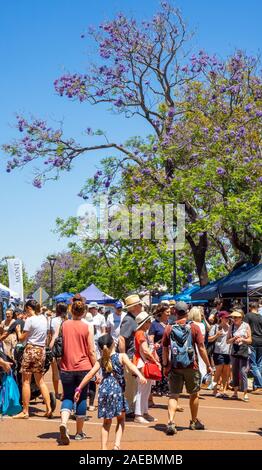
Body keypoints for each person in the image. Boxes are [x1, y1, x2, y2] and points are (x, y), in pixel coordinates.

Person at [74, 333, 147, 450]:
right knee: (121, 419)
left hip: (104, 390)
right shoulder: (121, 356)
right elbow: (131, 366)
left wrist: (79, 388)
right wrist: (140, 375)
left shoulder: (101, 360)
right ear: (113, 344)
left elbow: (89, 375)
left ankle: (103, 448)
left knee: (106, 423)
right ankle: (116, 446)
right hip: (117, 390)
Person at [162, 301, 212, 435]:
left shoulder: (169, 328)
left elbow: (165, 349)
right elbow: (201, 348)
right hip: (191, 365)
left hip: (175, 366)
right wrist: (208, 365)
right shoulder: (194, 327)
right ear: (187, 312)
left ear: (175, 312)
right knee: (194, 394)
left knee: (173, 395)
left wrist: (166, 365)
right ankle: (194, 421)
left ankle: (171, 421)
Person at [58, 300, 97, 444]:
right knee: (81, 398)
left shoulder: (64, 325)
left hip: (66, 366)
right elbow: (91, 351)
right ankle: (79, 432)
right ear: (84, 312)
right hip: (84, 367)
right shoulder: (88, 327)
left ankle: (64, 423)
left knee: (67, 396)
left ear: (71, 311)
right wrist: (96, 368)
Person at [13, 299, 52, 419]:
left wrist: (18, 331)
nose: (26, 313)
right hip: (41, 350)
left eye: (26, 310)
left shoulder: (30, 320)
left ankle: (25, 411)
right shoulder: (44, 319)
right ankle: (49, 408)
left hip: (31, 350)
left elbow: (21, 338)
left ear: (29, 308)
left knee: (26, 381)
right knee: (40, 381)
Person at [118, 294, 143, 418]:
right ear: (134, 307)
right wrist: (123, 357)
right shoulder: (129, 320)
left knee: (132, 384)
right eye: (140, 304)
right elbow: (122, 338)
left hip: (131, 356)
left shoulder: (132, 319)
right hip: (129, 356)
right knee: (130, 384)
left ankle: (130, 407)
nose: (142, 306)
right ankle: (127, 409)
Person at [133, 311, 160, 423]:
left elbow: (146, 349)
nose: (150, 323)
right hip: (142, 362)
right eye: (148, 321)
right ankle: (138, 414)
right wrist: (155, 361)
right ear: (144, 323)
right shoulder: (141, 333)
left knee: (146, 389)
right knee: (142, 389)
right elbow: (145, 350)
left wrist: (153, 349)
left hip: (144, 362)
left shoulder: (143, 333)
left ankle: (144, 412)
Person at [226, 310, 252, 401]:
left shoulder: (246, 326)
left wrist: (242, 339)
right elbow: (227, 341)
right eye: (234, 317)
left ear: (241, 317)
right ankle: (235, 392)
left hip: (244, 350)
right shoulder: (231, 326)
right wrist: (234, 338)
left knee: (243, 371)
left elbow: (250, 340)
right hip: (234, 351)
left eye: (237, 317)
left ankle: (245, 393)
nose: (235, 319)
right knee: (235, 371)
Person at [208, 311, 231, 397]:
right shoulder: (215, 327)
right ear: (221, 318)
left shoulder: (230, 327)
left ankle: (224, 390)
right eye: (226, 317)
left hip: (228, 352)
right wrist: (216, 335)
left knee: (226, 373)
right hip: (218, 352)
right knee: (218, 372)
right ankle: (214, 390)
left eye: (228, 317)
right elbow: (209, 339)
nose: (227, 319)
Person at [49, 302, 68, 399]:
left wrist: (49, 346)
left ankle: (56, 393)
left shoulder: (53, 320)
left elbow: (51, 334)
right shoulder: (68, 320)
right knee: (65, 371)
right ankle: (65, 392)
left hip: (55, 347)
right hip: (66, 347)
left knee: (55, 372)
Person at [245, 302, 262, 391]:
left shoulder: (248, 316)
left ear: (250, 307)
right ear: (257, 307)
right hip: (260, 342)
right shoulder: (260, 317)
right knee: (259, 364)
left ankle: (259, 384)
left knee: (253, 364)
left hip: (252, 341)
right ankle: (256, 386)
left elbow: (245, 327)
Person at [188, 307, 207, 381]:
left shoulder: (189, 324)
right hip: (200, 346)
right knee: (201, 364)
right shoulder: (201, 325)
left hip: (191, 347)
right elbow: (203, 339)